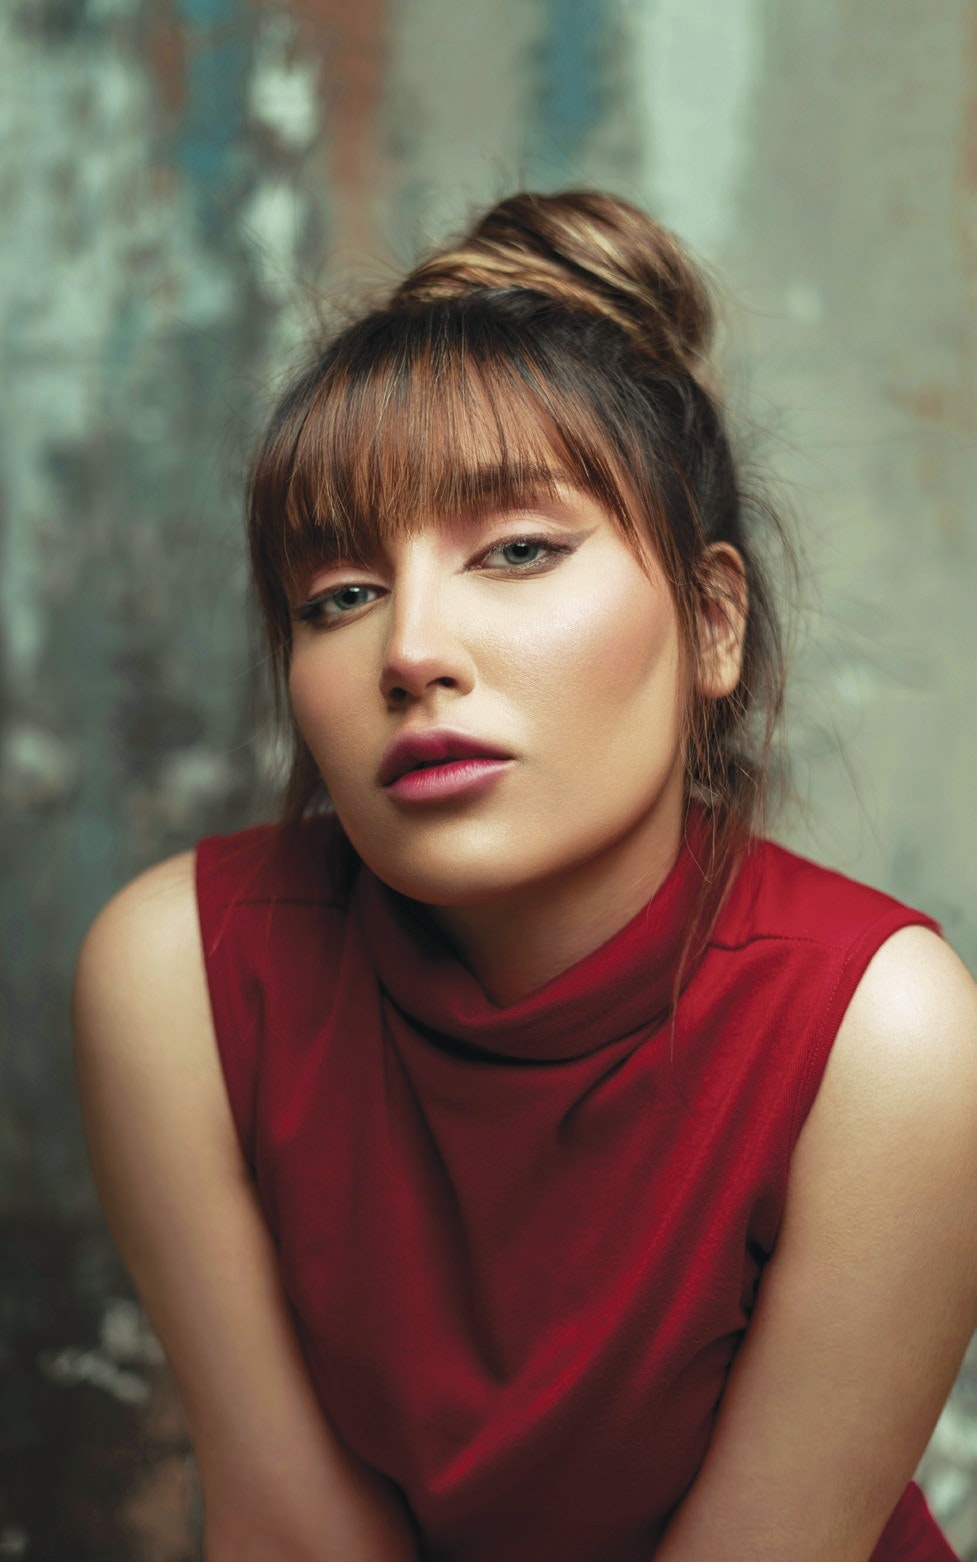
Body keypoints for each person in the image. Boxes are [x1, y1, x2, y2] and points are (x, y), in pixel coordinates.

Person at [71, 189, 977, 1562]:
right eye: (339, 595)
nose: (410, 651)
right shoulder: (176, 978)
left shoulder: (882, 1037)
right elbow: (290, 1531)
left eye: (516, 551)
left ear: (712, 621)